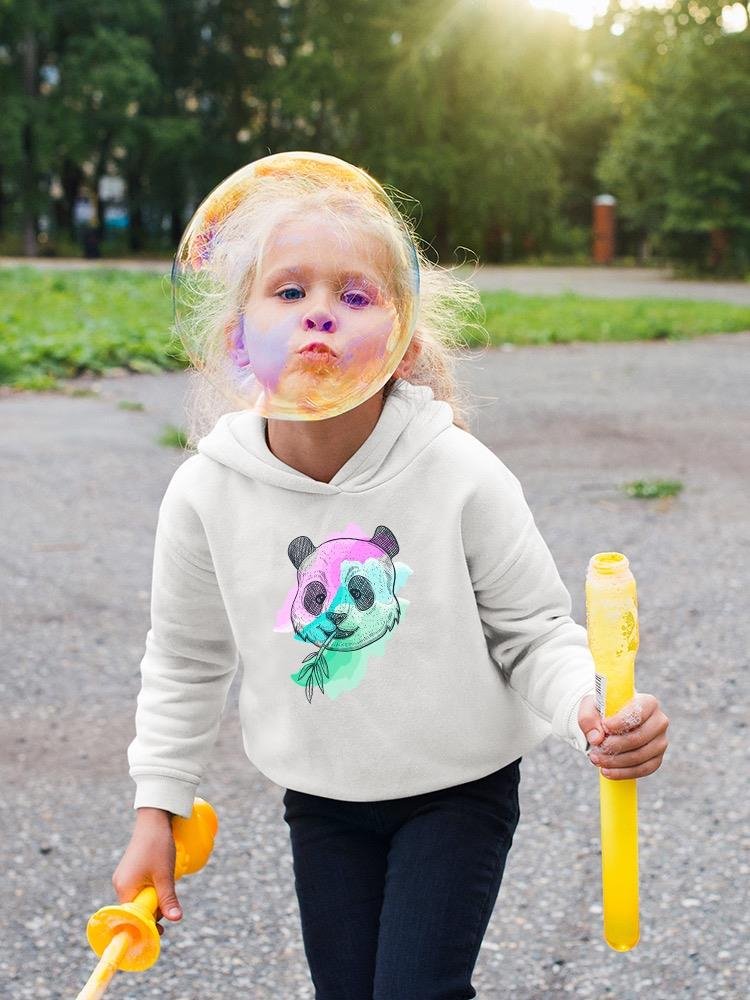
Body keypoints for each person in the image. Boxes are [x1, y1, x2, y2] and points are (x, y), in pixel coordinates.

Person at [112, 154, 670, 999]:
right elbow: (186, 661)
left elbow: (532, 633)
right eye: (289, 292)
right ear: (239, 333)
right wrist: (158, 807)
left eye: (356, 295)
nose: (320, 317)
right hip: (323, 801)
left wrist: (588, 706)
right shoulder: (204, 493)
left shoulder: (460, 474)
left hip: (457, 792)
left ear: (402, 337)